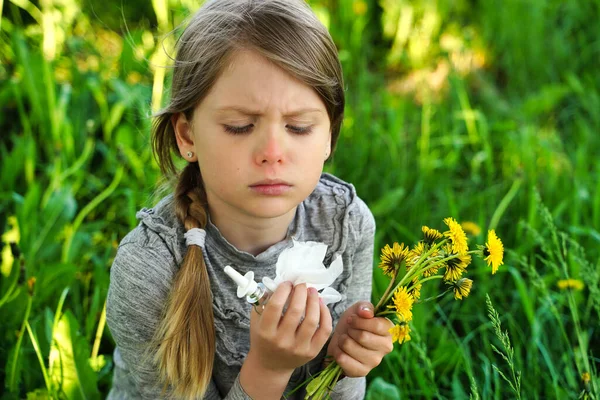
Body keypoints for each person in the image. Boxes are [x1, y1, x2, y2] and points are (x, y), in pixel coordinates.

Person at [105, 0, 394, 398]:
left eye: (299, 126)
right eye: (240, 127)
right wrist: (267, 370)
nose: (272, 152)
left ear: (329, 134)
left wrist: (340, 357)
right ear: (187, 136)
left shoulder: (346, 223)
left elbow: (343, 390)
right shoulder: (149, 270)